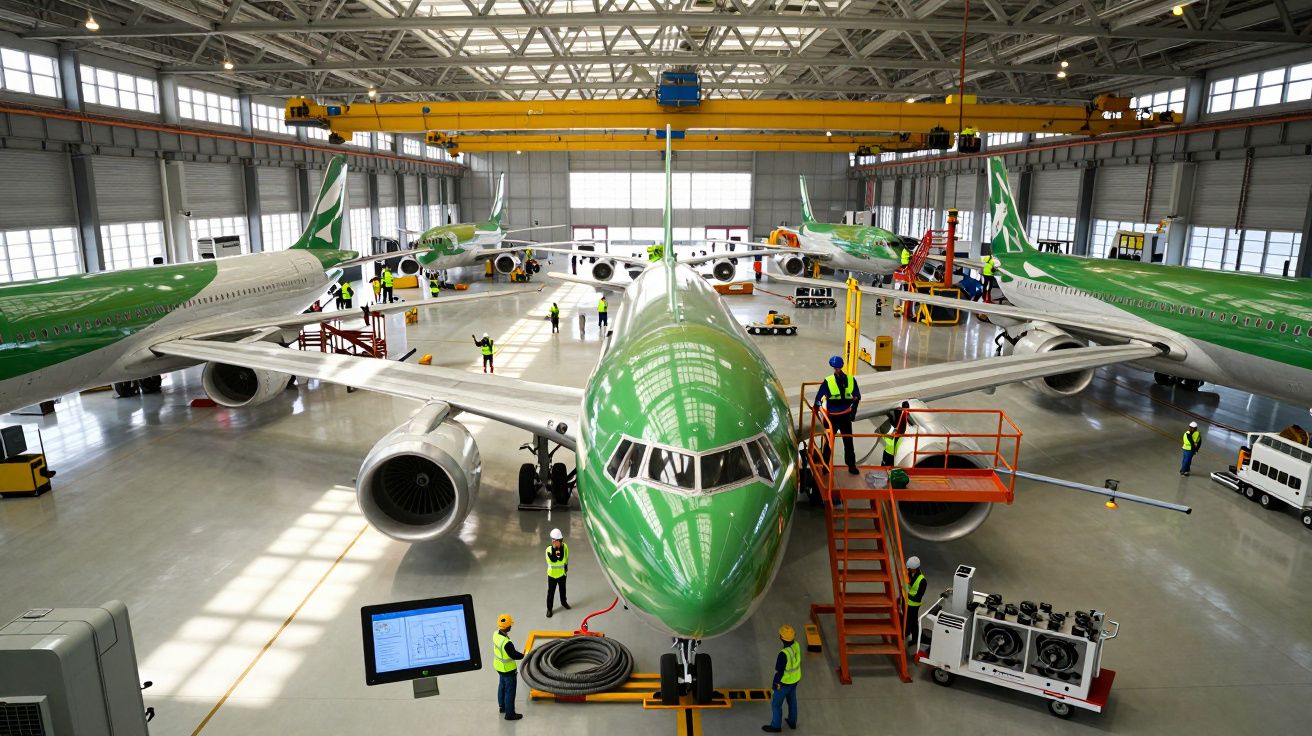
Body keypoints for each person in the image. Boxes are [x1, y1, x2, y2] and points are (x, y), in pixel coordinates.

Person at [813, 355, 862, 475]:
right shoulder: (829, 381)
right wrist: (817, 408)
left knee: (848, 441)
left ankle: (851, 465)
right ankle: (825, 465)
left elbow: (857, 396)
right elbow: (818, 399)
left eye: (838, 368)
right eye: (836, 368)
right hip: (832, 418)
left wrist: (853, 412)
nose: (837, 370)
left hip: (844, 416)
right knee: (829, 443)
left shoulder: (850, 380)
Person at [762, 624, 801, 733]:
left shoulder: (783, 654)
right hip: (795, 680)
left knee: (776, 704)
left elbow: (780, 672)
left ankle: (776, 726)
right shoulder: (797, 645)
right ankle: (792, 722)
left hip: (784, 683)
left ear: (781, 638)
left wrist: (775, 684)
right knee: (792, 701)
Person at [492, 614, 525, 721]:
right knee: (510, 691)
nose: (511, 626)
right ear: (506, 627)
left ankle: (502, 707)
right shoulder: (506, 643)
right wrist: (524, 655)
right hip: (508, 669)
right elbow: (514, 655)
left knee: (502, 686)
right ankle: (510, 714)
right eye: (510, 625)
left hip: (499, 667)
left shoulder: (495, 634)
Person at [545, 528, 570, 617]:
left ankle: (564, 602)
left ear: (560, 540)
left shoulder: (565, 547)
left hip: (562, 575)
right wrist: (555, 552)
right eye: (552, 540)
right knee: (551, 593)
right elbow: (551, 562)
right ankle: (549, 609)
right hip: (552, 575)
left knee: (563, 590)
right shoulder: (549, 550)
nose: (553, 541)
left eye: (555, 540)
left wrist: (565, 569)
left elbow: (566, 558)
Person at [902, 556, 926, 644]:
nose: (907, 570)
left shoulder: (922, 581)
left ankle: (915, 640)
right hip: (907, 603)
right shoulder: (912, 574)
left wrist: (907, 595)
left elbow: (918, 597)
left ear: (914, 569)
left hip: (913, 606)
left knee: (913, 623)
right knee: (907, 620)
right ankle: (906, 633)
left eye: (909, 568)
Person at [882, 401, 910, 466]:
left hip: (891, 452)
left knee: (885, 469)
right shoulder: (904, 424)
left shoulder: (897, 423)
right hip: (893, 452)